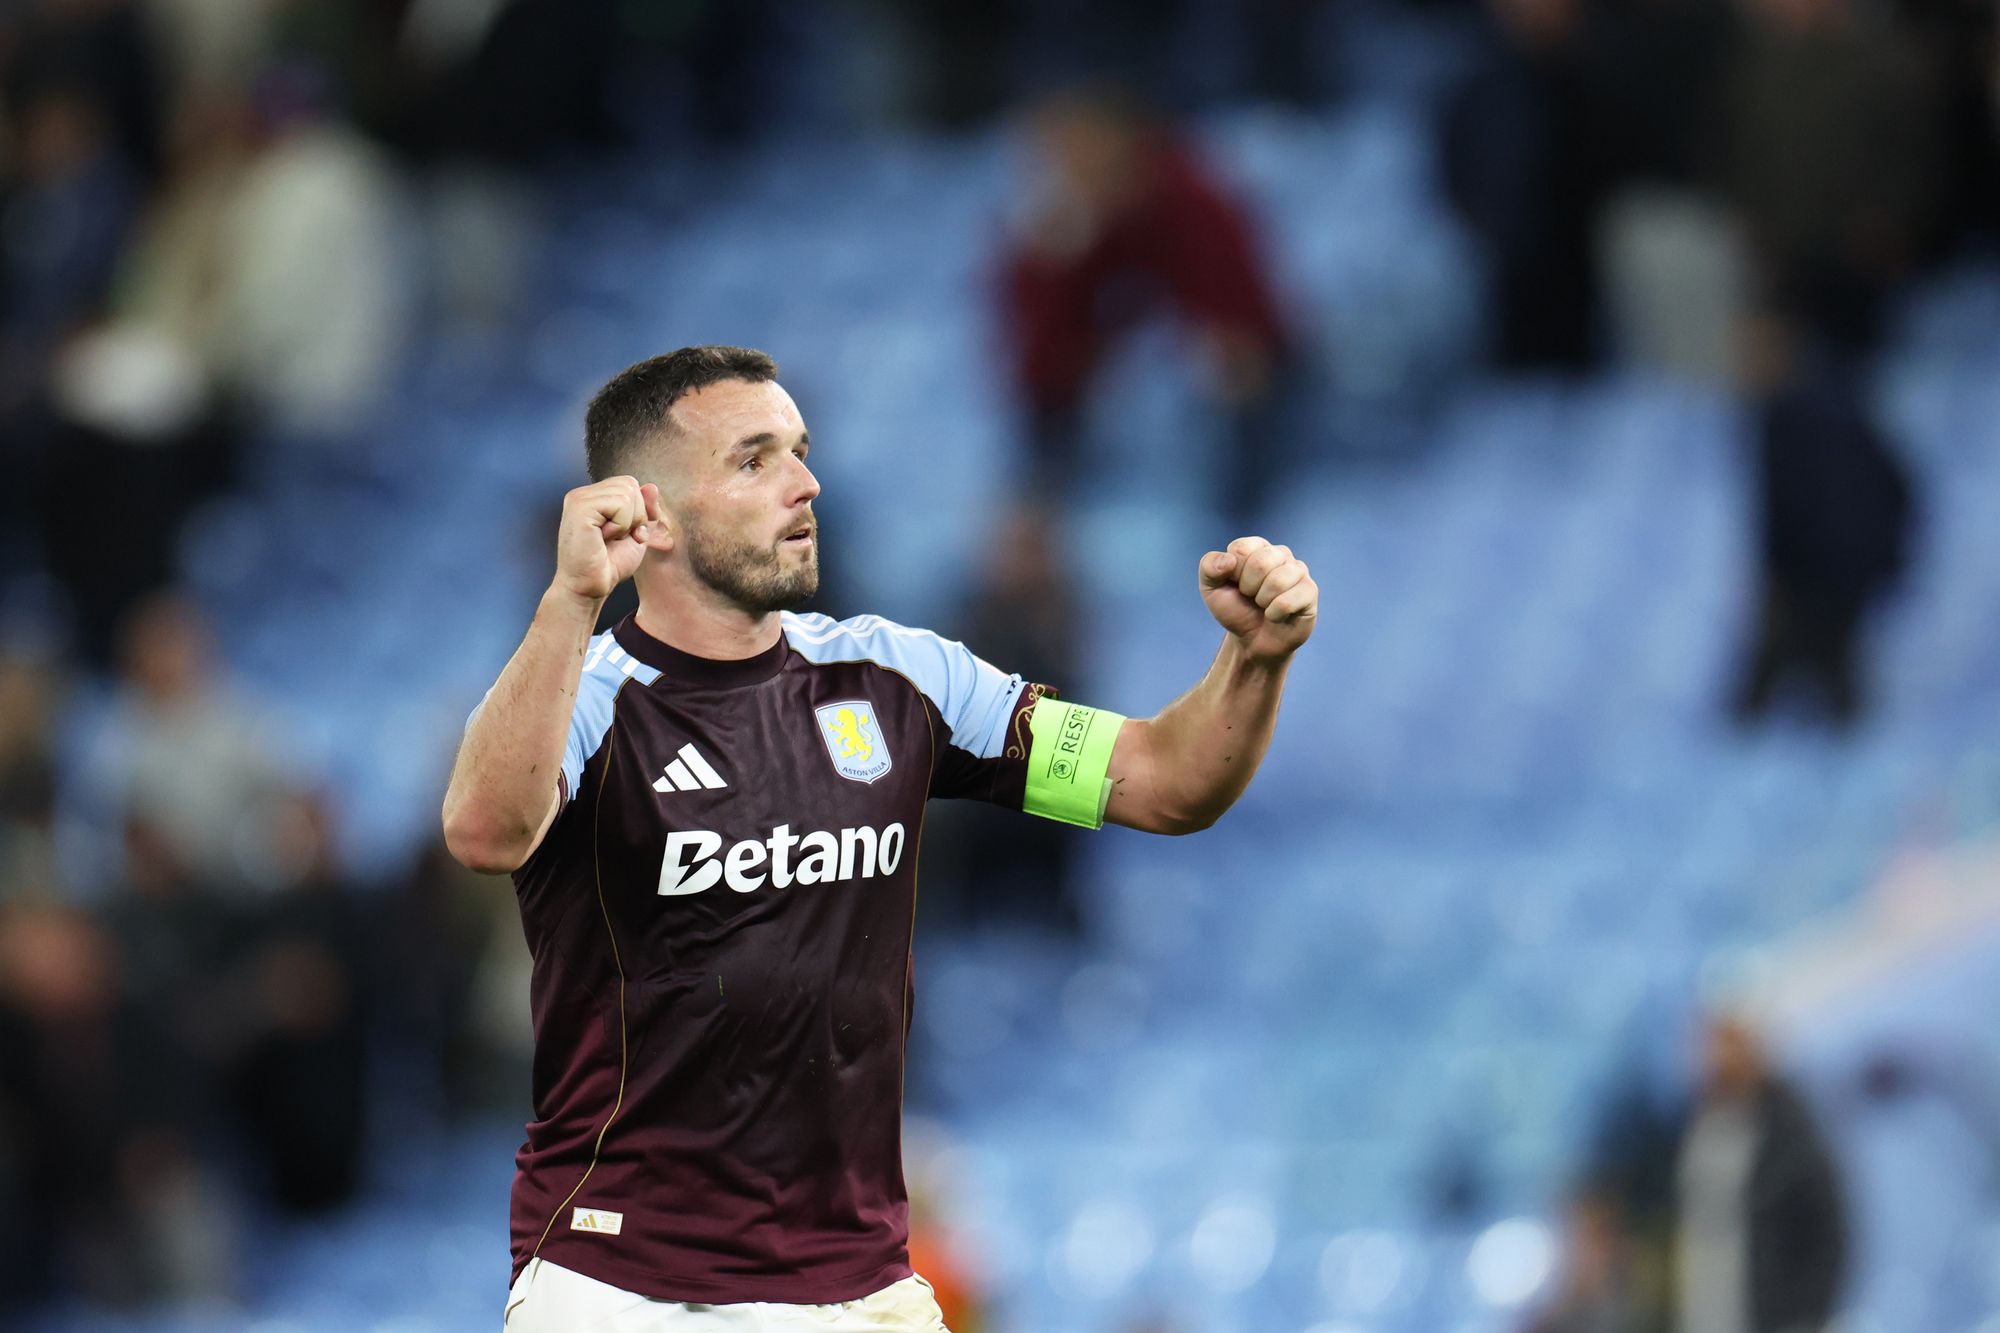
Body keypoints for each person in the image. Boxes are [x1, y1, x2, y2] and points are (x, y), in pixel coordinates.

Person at [440, 345, 1318, 1331]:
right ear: (652, 515)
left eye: (801, 451)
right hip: (626, 1286)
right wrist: (569, 601)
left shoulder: (901, 679)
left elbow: (1162, 781)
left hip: (856, 1284)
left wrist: (1253, 660)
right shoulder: (587, 697)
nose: (806, 483)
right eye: (754, 459)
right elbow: (485, 830)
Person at [1674, 1014, 1847, 1333]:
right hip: (1708, 1310)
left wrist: (1802, 1315)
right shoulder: (1697, 1126)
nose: (1720, 1061)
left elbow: (1829, 1235)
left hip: (1772, 1318)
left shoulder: (1791, 1134)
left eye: (1731, 1048)